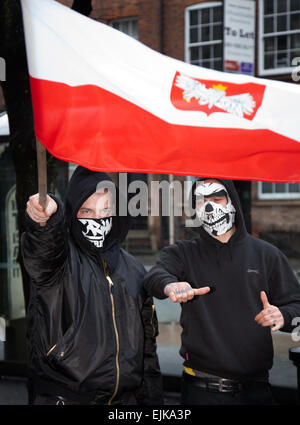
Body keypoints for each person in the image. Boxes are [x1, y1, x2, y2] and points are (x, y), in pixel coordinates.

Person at [143, 178, 300, 405]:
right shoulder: (183, 253)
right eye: (201, 201)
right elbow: (154, 276)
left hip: (256, 390)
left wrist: (282, 316)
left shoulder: (267, 255)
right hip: (200, 390)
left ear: (233, 203)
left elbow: (296, 305)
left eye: (217, 198)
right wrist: (170, 285)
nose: (209, 207)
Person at [22, 166, 163, 405]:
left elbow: (147, 354)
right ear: (73, 212)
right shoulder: (60, 260)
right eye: (86, 211)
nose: (97, 220)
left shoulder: (134, 269)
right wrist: (45, 219)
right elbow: (43, 248)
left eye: (106, 210)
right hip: (65, 398)